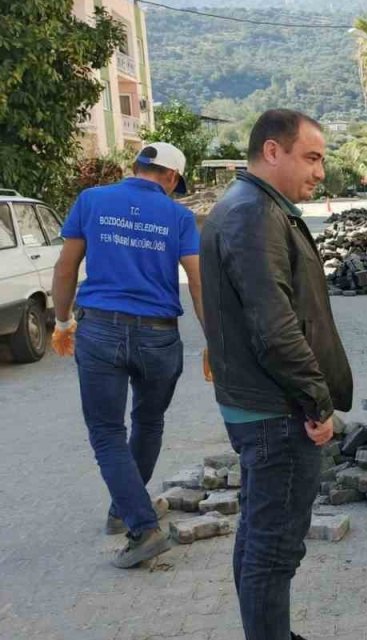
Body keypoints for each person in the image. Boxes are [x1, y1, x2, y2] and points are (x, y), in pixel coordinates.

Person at [200, 109, 353, 640]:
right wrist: (316, 402)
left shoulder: (253, 208)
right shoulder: (253, 215)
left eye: (322, 160)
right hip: (277, 412)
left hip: (260, 405)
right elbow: (275, 325)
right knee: (274, 550)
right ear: (272, 151)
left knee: (258, 538)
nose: (320, 172)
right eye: (311, 157)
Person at [50, 141, 204, 568]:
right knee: (148, 422)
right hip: (159, 336)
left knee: (106, 434)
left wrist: (62, 323)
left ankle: (139, 523)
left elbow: (65, 269)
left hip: (99, 331)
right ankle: (128, 509)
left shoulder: (92, 200)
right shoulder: (179, 216)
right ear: (171, 178)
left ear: (135, 167)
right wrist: (214, 342)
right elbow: (197, 283)